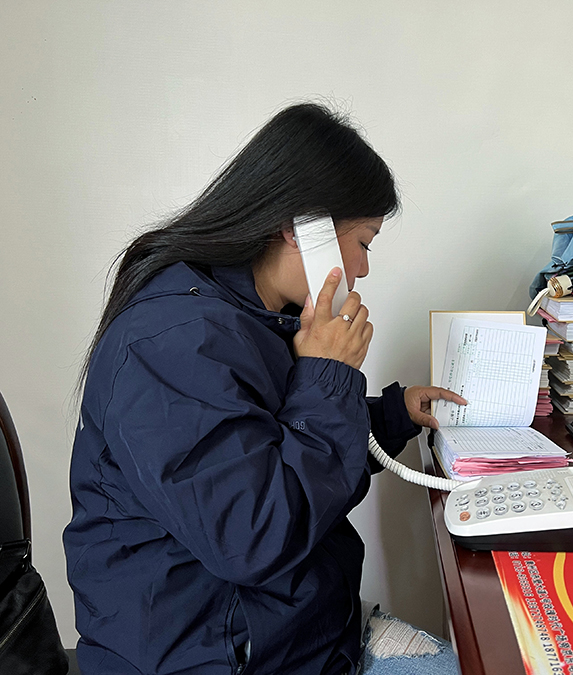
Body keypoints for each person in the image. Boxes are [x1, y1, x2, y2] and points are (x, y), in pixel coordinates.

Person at [63, 103, 465, 675]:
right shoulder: (172, 343)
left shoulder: (252, 316)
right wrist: (328, 372)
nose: (363, 269)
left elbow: (274, 441)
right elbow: (253, 536)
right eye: (365, 243)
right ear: (303, 228)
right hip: (221, 654)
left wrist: (392, 414)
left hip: (296, 631)